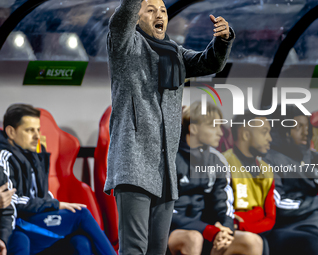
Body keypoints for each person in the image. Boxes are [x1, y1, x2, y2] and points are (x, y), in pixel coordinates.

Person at [105, 0, 235, 253]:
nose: (159, 14)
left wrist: (223, 39)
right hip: (133, 166)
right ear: (136, 16)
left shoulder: (175, 52)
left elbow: (211, 63)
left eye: (163, 10)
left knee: (157, 249)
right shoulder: (124, 46)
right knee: (134, 248)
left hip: (166, 171)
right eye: (150, 9)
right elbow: (120, 21)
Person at [0, 104, 116, 255]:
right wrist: (55, 205)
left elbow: (41, 193)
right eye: (29, 130)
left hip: (35, 219)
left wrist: (53, 204)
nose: (36, 135)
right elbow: (13, 201)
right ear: (11, 132)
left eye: (38, 130)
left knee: (81, 242)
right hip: (21, 222)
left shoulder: (34, 154)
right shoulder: (4, 156)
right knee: (81, 214)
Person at [168, 102, 263, 255]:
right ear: (193, 128)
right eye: (214, 126)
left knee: (252, 242)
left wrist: (225, 228)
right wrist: (207, 230)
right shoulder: (169, 159)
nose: (220, 133)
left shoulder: (217, 160)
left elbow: (223, 203)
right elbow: (163, 211)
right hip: (170, 231)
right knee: (194, 238)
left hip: (209, 230)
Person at [264, 105, 318, 255]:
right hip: (295, 226)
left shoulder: (312, 157)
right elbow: (277, 204)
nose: (306, 132)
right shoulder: (270, 161)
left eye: (307, 127)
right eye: (299, 127)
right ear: (284, 131)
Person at [222, 112, 274, 255]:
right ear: (245, 135)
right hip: (230, 231)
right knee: (259, 242)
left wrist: (244, 221)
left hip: (260, 229)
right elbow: (225, 215)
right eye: (264, 132)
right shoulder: (224, 163)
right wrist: (257, 213)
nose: (270, 139)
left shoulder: (267, 169)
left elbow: (270, 217)